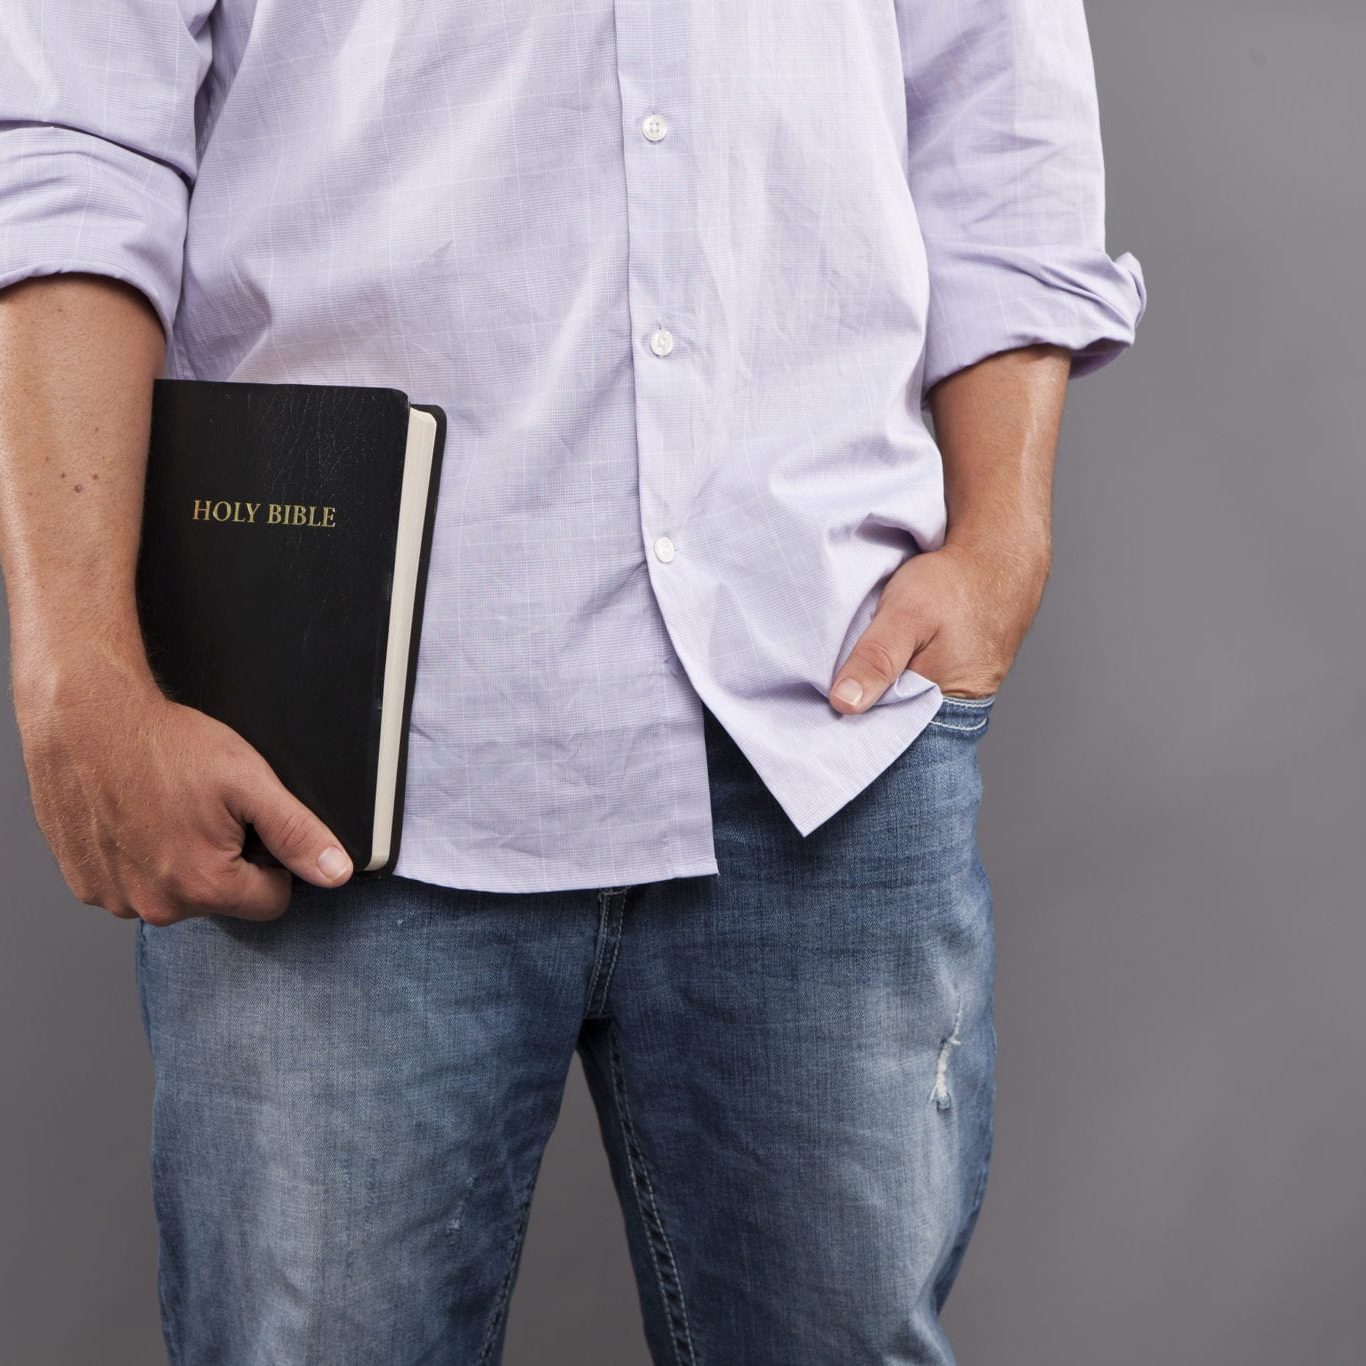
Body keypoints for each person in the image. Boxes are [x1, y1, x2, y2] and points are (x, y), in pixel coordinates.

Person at [0, 1, 1144, 1362]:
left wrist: (1000, 534)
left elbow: (995, 97)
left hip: (819, 716)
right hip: (334, 741)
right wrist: (74, 662)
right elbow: (72, 133)